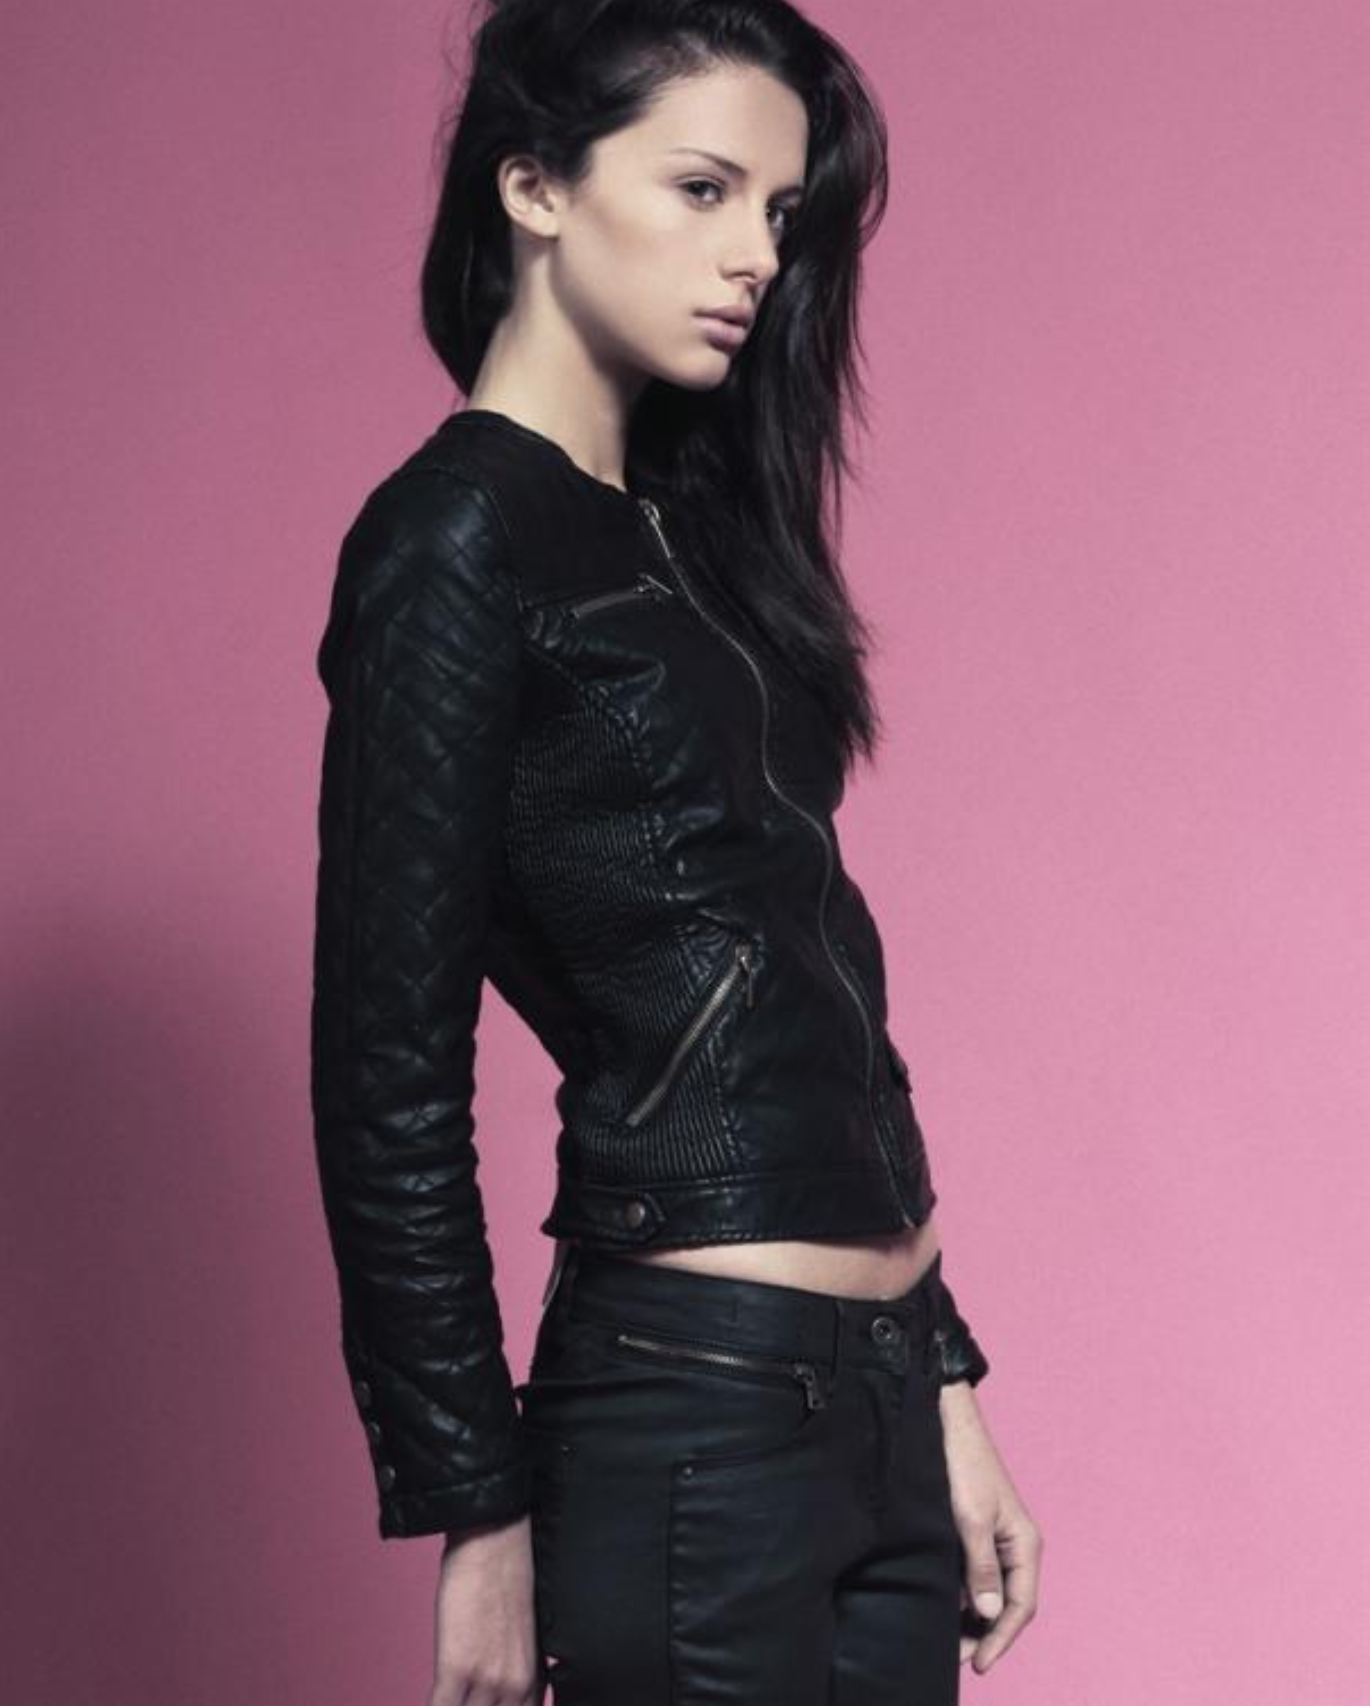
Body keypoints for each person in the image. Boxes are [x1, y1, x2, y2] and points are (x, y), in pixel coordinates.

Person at [308, 1, 1042, 1701]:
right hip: (691, 1411)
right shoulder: (452, 539)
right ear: (534, 187)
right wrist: (477, 1503)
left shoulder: (689, 546)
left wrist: (938, 1376)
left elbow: (814, 981)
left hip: (868, 1401)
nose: (755, 256)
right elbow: (384, 1068)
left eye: (776, 212)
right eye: (703, 189)